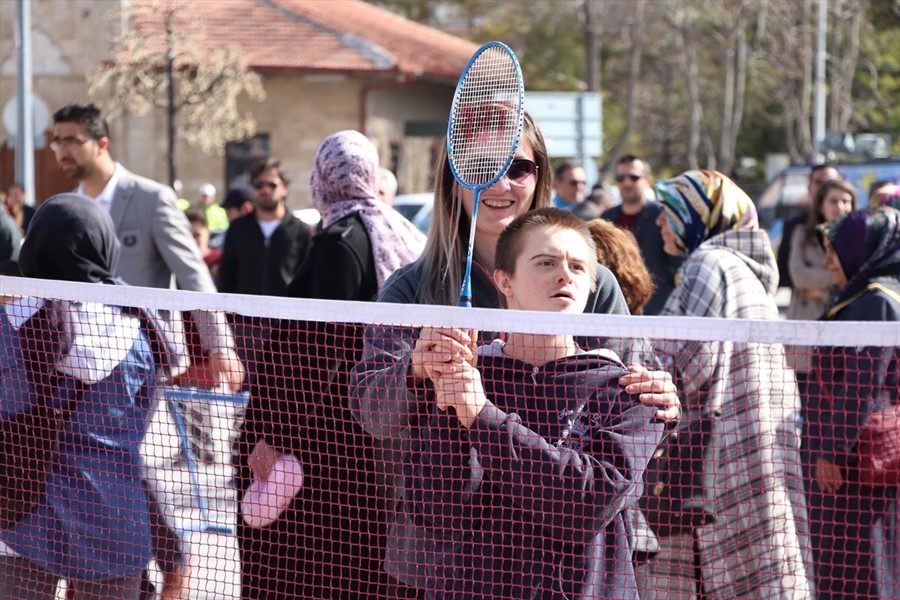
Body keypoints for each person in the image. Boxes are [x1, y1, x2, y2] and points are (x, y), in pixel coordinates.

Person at [350, 112, 680, 590]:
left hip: (579, 569)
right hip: (448, 560)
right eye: (478, 163)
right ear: (452, 174)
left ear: (540, 175)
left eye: (518, 167)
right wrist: (415, 370)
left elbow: (634, 409)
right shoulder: (411, 288)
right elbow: (370, 409)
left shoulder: (594, 284)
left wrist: (663, 403)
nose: (499, 182)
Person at [402, 207, 666, 598]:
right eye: (546, 262)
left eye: (578, 267)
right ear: (503, 280)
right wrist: (452, 402)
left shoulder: (630, 390)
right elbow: (438, 508)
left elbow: (583, 506)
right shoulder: (467, 378)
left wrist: (482, 417)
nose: (564, 275)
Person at [51, 102, 244, 600]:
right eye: (56, 140)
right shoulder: (65, 206)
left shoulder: (151, 198)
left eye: (71, 139)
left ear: (101, 142)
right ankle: (121, 575)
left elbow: (194, 274)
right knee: (98, 461)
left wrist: (220, 344)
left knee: (116, 458)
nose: (60, 149)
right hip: (75, 362)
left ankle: (166, 563)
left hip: (140, 363)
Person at [236, 130, 426, 599]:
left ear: (322, 178)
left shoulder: (340, 242)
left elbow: (314, 355)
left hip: (318, 444)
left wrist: (273, 437)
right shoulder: (397, 230)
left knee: (303, 569)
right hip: (360, 433)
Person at [0, 194, 181, 600]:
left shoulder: (6, 324)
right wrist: (172, 553)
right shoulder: (144, 336)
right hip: (115, 524)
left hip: (19, 518)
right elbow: (133, 445)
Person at [649, 169, 813, 599]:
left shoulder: (709, 263)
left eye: (670, 211)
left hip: (718, 461)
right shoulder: (742, 271)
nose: (659, 222)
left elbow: (689, 361)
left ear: (701, 213)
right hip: (754, 454)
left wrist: (634, 363)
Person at [806, 206, 900, 600]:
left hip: (856, 466)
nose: (827, 260)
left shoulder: (876, 301)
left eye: (835, 249)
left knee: (866, 567)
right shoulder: (861, 296)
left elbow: (862, 384)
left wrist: (833, 451)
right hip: (851, 461)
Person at [786, 179, 857, 392]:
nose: (840, 207)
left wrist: (821, 291)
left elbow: (854, 281)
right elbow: (799, 276)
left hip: (844, 334)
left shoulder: (859, 239)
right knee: (810, 408)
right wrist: (836, 278)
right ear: (820, 205)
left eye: (846, 201)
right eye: (833, 201)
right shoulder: (802, 235)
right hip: (807, 333)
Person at [601, 155, 681, 315]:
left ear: (647, 180)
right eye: (621, 178)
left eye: (634, 177)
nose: (626, 182)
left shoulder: (663, 216)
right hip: (617, 310)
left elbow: (677, 263)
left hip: (657, 310)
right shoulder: (606, 218)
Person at [777, 163, 842, 289]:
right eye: (818, 182)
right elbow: (785, 273)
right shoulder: (796, 226)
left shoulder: (854, 226)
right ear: (809, 187)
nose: (824, 187)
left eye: (830, 182)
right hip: (807, 305)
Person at [185, 208, 222, 280]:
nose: (193, 240)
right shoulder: (176, 262)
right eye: (188, 235)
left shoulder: (219, 260)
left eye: (197, 235)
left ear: (208, 233)